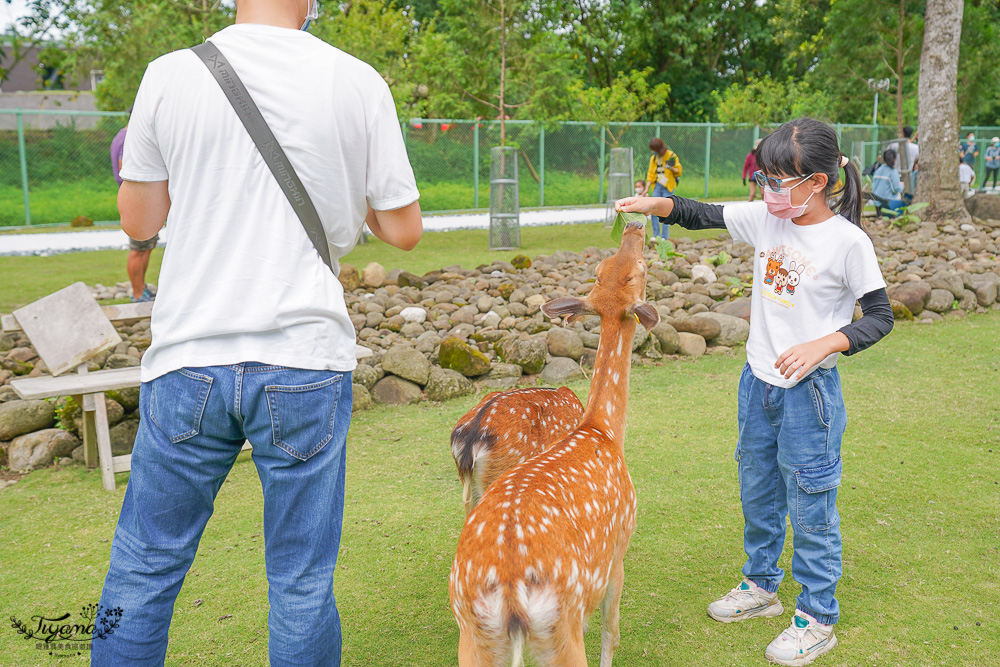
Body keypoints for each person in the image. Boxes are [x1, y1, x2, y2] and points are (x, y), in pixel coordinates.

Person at [91, 1, 422, 665]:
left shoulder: (169, 74)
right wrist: (341, 191)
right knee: (300, 581)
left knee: (144, 566)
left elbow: (140, 217)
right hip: (303, 357)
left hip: (189, 354)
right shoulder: (357, 80)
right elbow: (403, 229)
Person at [616, 117, 893, 667]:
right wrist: (655, 205)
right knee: (758, 489)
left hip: (807, 395)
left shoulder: (847, 242)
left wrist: (826, 344)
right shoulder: (770, 218)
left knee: (810, 500)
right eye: (764, 177)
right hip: (757, 385)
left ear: (816, 182)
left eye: (777, 180)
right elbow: (701, 214)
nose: (767, 191)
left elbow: (880, 317)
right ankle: (760, 587)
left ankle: (817, 616)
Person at [110, 108, 157, 303]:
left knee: (146, 246)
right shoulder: (128, 138)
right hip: (137, 200)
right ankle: (137, 294)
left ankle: (142, 288)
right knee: (138, 250)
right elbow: (125, 169)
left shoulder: (124, 136)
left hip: (143, 200)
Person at [645, 137, 682, 240]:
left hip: (668, 187)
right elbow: (651, 174)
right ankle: (656, 235)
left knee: (666, 212)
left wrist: (671, 168)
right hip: (657, 186)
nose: (653, 152)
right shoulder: (654, 158)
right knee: (653, 210)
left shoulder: (670, 156)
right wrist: (646, 188)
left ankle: (665, 237)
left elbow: (678, 171)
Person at [871, 149, 905, 217]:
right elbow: (896, 189)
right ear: (895, 159)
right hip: (888, 203)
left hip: (877, 202)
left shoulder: (878, 170)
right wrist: (903, 186)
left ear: (883, 159)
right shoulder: (893, 172)